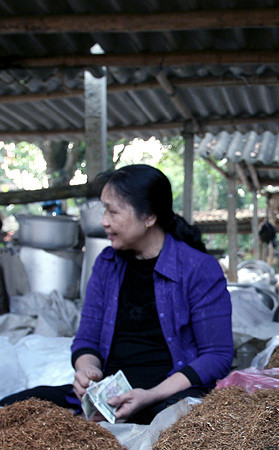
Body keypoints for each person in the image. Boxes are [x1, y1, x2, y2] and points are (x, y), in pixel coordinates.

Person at [0, 164, 234, 425]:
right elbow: (87, 338)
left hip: (168, 395)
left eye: (113, 211)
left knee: (171, 428)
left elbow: (217, 355)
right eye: (104, 210)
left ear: (149, 217)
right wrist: (87, 369)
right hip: (110, 397)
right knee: (13, 410)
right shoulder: (107, 264)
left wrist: (150, 395)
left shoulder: (198, 268)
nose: (104, 221)